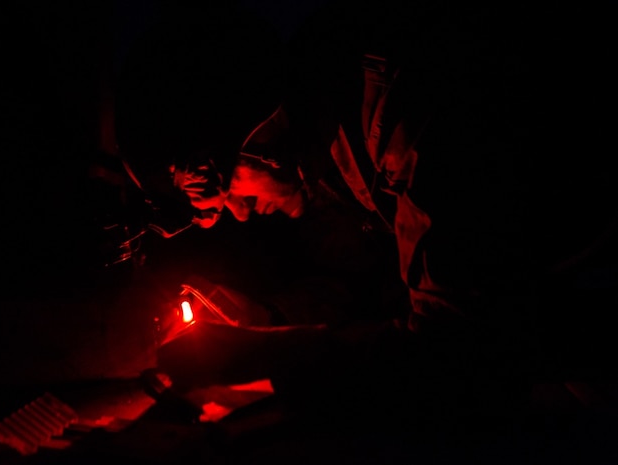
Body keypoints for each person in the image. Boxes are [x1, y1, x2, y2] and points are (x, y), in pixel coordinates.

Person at [115, 0, 617, 427]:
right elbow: (375, 281)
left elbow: (456, 354)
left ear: (257, 134)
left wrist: (255, 354)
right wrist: (271, 319)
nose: (242, 215)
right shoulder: (330, 147)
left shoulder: (413, 114)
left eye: (228, 193)